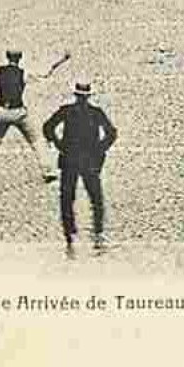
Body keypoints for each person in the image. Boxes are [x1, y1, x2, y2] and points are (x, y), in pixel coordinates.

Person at [43, 81, 117, 256]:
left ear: (76, 96)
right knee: (96, 198)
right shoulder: (96, 113)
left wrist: (59, 144)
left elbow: (48, 127)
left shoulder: (67, 111)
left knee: (67, 198)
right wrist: (100, 149)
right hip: (90, 161)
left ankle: (69, 235)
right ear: (88, 96)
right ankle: (98, 234)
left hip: (69, 159)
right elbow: (111, 133)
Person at [0, 50, 66, 187]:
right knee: (36, 141)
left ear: (7, 57)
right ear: (20, 59)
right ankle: (48, 171)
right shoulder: (23, 73)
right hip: (19, 112)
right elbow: (45, 72)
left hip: (1, 112)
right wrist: (61, 60)